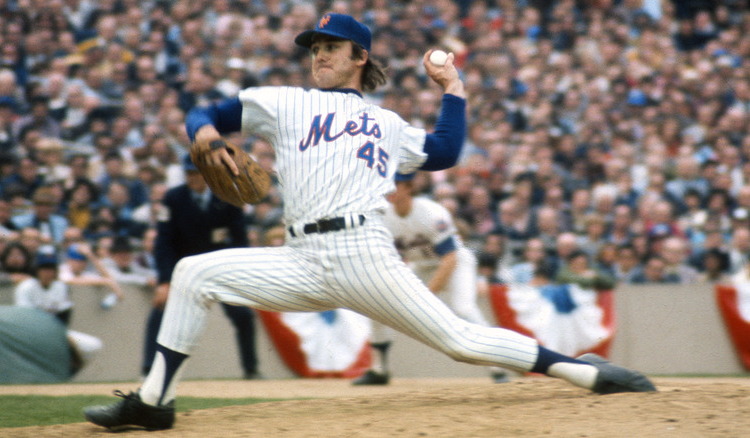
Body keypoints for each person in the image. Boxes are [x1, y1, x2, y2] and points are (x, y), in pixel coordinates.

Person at [83, 13, 655, 431]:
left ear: (360, 57)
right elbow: (206, 111)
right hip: (299, 259)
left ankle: (585, 374)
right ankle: (155, 402)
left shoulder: (387, 123)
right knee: (191, 274)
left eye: (332, 47)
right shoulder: (285, 103)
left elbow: (447, 151)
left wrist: (452, 89)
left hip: (363, 253)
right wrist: (203, 133)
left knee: (459, 340)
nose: (319, 55)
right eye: (314, 48)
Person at [353, 171, 508, 385]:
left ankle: (497, 366)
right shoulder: (383, 216)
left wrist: (425, 295)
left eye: (396, 184)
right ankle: (379, 370)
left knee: (464, 309)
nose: (390, 190)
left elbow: (450, 258)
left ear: (409, 187)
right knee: (378, 305)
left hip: (455, 262)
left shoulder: (431, 212)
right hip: (421, 265)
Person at [140, 155, 261, 379]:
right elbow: (163, 243)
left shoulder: (228, 196)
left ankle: (251, 369)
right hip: (184, 268)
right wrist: (165, 281)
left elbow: (240, 240)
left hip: (219, 268)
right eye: (188, 173)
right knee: (160, 309)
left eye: (196, 173)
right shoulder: (174, 198)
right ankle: (148, 368)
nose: (192, 178)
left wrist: (237, 275)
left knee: (243, 314)